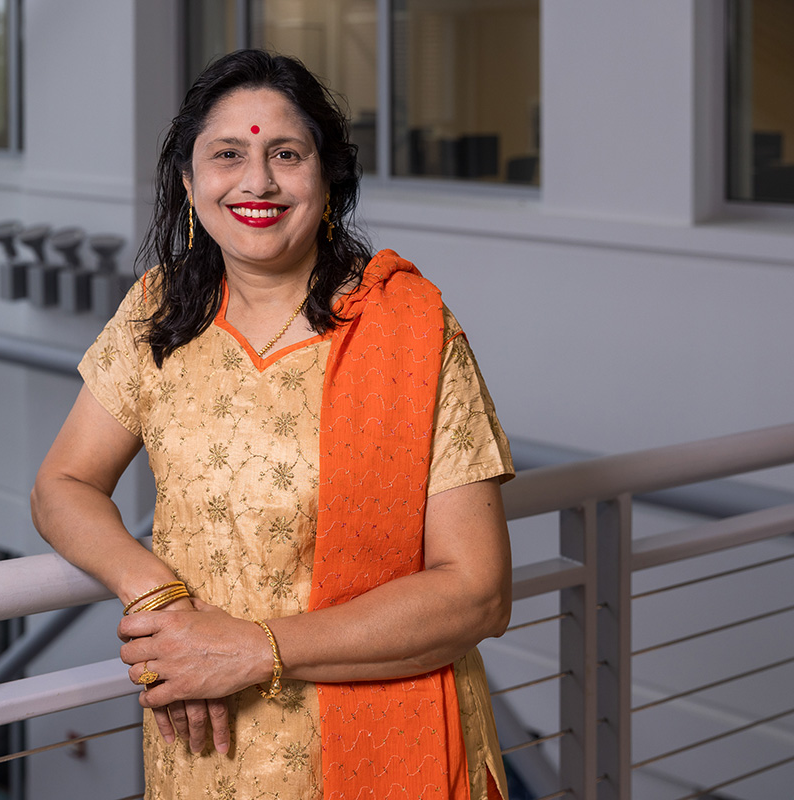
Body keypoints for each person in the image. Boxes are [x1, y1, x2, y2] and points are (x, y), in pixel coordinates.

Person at [32, 49, 514, 800]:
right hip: (205, 753)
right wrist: (156, 597)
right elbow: (62, 483)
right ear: (190, 185)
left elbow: (478, 593)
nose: (257, 181)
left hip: (372, 749)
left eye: (284, 154)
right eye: (228, 155)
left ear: (326, 182)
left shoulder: (412, 332)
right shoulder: (157, 314)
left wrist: (254, 651)